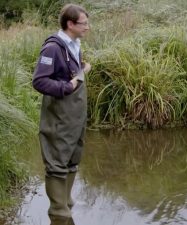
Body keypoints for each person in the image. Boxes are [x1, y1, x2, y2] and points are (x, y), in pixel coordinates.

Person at [32, 4, 91, 218]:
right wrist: (67, 86)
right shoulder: (52, 48)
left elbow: (66, 72)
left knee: (73, 155)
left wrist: (81, 68)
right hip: (58, 114)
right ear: (70, 24)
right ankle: (58, 210)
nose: (88, 27)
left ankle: (66, 200)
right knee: (57, 158)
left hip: (74, 116)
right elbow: (39, 81)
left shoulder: (74, 44)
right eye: (84, 23)